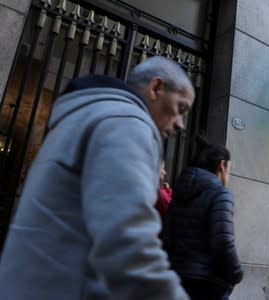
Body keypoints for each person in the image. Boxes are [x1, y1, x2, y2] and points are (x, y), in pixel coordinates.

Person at [0, 56, 195, 300]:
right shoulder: (128, 124)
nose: (181, 124)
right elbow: (129, 246)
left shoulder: (86, 118)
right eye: (181, 108)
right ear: (156, 88)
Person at [163, 136, 243, 300]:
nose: (228, 176)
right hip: (207, 284)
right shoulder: (220, 193)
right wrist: (236, 274)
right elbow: (223, 242)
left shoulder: (179, 193)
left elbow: (167, 238)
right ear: (221, 165)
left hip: (177, 280)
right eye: (229, 170)